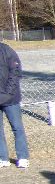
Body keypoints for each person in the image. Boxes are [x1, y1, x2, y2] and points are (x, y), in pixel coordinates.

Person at [0, 41, 30, 169]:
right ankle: (3, 158)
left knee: (17, 128)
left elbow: (15, 71)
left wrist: (8, 93)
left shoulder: (6, 50)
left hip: (10, 99)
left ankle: (23, 157)